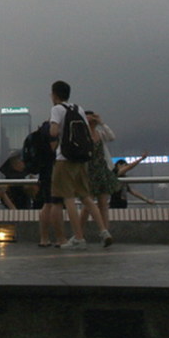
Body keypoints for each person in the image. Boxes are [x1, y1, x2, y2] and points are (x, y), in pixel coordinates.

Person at [48, 80, 110, 250]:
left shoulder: (57, 109)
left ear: (54, 94)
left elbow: (53, 131)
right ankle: (104, 231)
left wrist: (53, 135)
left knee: (68, 197)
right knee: (86, 197)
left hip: (65, 158)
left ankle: (79, 237)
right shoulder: (79, 108)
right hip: (81, 158)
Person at [78, 112, 122, 237]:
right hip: (88, 172)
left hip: (102, 170)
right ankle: (79, 233)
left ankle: (105, 232)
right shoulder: (82, 135)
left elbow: (112, 137)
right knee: (87, 205)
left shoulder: (100, 134)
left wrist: (102, 122)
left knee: (103, 203)